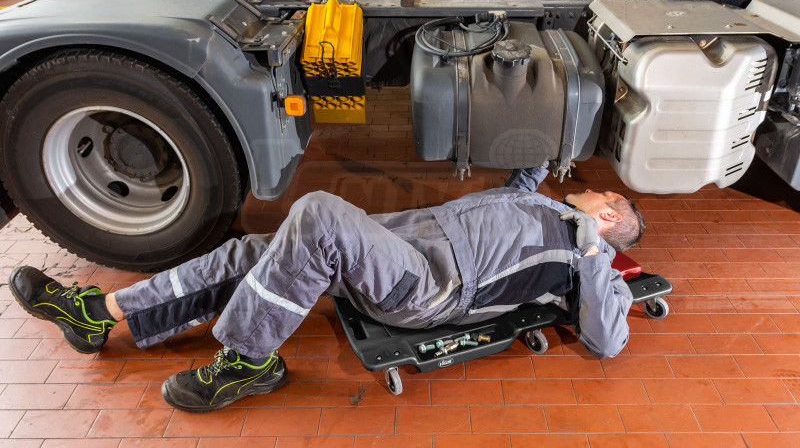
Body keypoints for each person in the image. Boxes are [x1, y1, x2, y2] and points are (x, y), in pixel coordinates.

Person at [8, 165, 644, 413]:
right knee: (248, 253)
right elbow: (514, 199)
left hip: (428, 287)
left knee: (316, 210)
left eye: (599, 193)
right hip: (397, 244)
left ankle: (248, 362)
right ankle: (99, 313)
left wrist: (592, 249)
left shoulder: (587, 254)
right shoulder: (541, 207)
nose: (587, 187)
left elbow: (607, 339)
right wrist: (539, 162)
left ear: (610, 214)